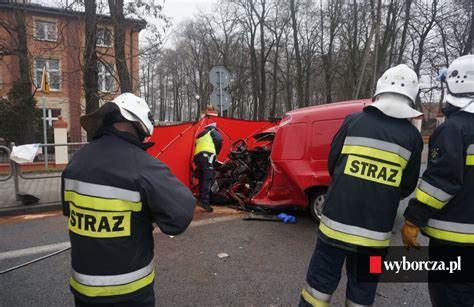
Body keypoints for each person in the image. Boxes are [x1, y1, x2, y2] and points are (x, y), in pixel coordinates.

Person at [300, 64, 423, 306]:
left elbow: (332, 164)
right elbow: (407, 187)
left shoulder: (353, 121)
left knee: (317, 288)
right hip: (376, 238)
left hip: (333, 229)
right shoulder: (412, 137)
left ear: (379, 91)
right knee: (362, 295)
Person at [62, 93, 196, 307]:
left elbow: (73, 211)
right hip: (129, 292)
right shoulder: (141, 163)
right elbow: (180, 216)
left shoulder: (76, 160)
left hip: (82, 290)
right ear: (140, 127)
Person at [402, 55, 474, 307]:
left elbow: (440, 183)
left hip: (456, 241)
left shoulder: (455, 129)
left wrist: (413, 218)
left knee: (451, 297)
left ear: (458, 83)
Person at [194, 122, 223, 212]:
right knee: (208, 178)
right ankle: (205, 202)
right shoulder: (213, 131)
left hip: (198, 156)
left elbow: (197, 146)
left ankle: (201, 198)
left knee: (202, 177)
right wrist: (216, 153)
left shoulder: (200, 136)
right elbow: (218, 140)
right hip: (208, 156)